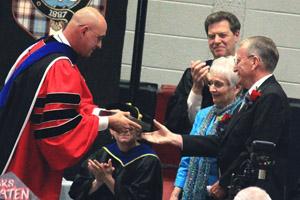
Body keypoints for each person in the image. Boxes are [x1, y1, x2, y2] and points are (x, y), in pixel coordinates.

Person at [0, 7, 141, 200]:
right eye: (98, 38)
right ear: (83, 31)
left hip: (11, 152)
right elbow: (57, 133)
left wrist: (107, 115)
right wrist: (108, 123)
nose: (99, 45)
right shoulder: (61, 68)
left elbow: (74, 108)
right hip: (26, 167)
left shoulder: (40, 48)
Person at [142, 36, 290, 200]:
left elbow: (254, 152)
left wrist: (224, 183)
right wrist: (174, 138)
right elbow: (223, 141)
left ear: (254, 62)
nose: (235, 68)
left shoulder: (271, 96)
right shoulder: (258, 94)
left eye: (238, 61)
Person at [170, 56, 242, 200]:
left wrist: (223, 183)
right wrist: (177, 188)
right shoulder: (203, 114)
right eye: (210, 83)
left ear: (236, 88)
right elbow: (188, 155)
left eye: (218, 84)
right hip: (190, 192)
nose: (212, 89)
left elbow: (236, 159)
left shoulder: (240, 116)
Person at [165, 11, 241, 134]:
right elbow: (175, 123)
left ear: (236, 35)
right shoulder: (193, 74)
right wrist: (196, 88)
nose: (216, 41)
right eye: (211, 36)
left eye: (222, 35)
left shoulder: (244, 73)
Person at [69, 104, 162, 200]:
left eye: (130, 124)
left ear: (138, 130)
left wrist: (108, 179)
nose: (125, 128)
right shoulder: (101, 155)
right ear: (111, 131)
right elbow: (75, 192)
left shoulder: (148, 160)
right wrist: (98, 181)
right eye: (119, 125)